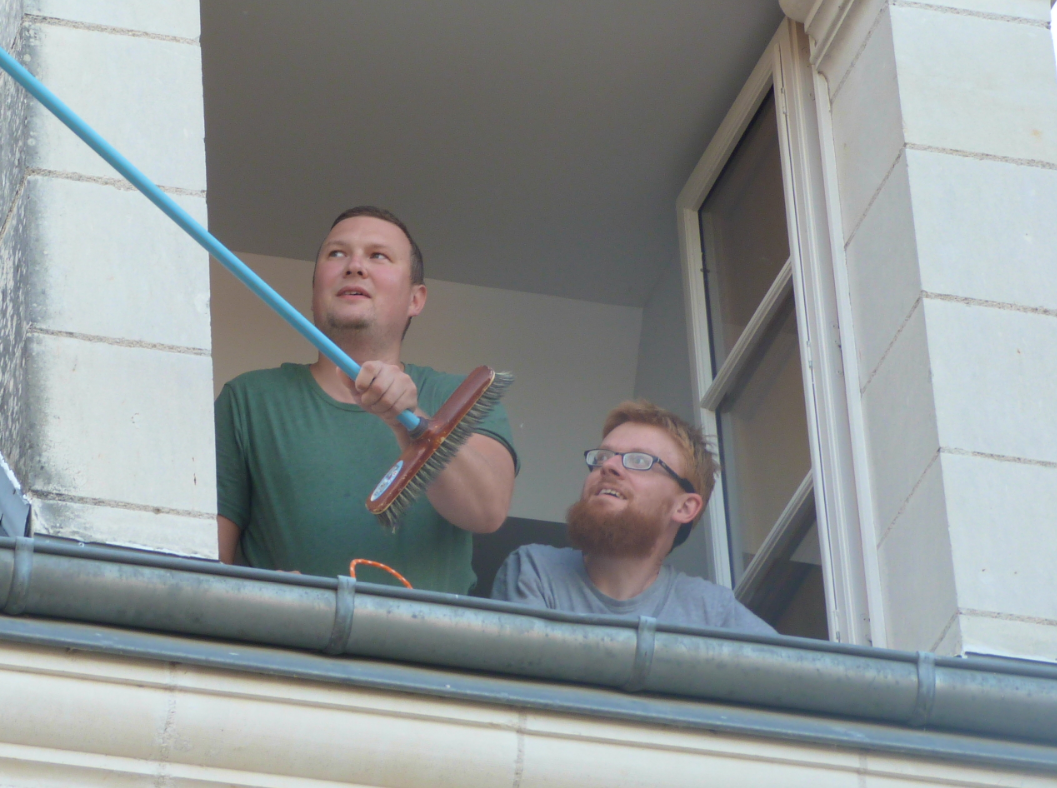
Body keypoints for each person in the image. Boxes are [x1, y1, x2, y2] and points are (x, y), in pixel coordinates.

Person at [215, 206, 517, 594]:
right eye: (336, 253)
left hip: (425, 635)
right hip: (290, 633)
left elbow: (487, 511)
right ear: (314, 292)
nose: (355, 266)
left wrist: (411, 422)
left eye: (378, 255)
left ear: (416, 299)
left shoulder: (458, 397)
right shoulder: (249, 401)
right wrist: (256, 596)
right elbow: (206, 560)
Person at [491, 400, 777, 635]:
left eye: (640, 461)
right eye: (602, 457)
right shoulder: (535, 570)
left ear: (685, 508)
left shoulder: (711, 612)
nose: (609, 466)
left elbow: (795, 673)